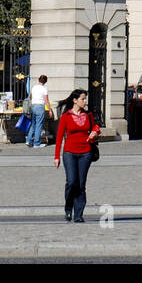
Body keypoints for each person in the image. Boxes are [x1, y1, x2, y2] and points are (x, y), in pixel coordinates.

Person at [53, 89, 101, 222]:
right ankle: (68, 208)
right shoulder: (66, 116)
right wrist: (56, 156)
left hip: (86, 152)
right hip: (69, 152)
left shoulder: (88, 115)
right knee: (72, 182)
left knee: (81, 184)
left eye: (85, 99)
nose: (85, 102)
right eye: (83, 99)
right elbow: (59, 137)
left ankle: (78, 214)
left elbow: (96, 128)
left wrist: (95, 133)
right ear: (75, 100)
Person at [26, 74, 51, 148]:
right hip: (40, 106)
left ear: (38, 80)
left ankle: (28, 140)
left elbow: (30, 97)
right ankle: (36, 143)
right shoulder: (44, 89)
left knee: (33, 124)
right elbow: (46, 101)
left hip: (33, 106)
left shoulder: (34, 87)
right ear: (45, 81)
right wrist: (50, 110)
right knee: (39, 125)